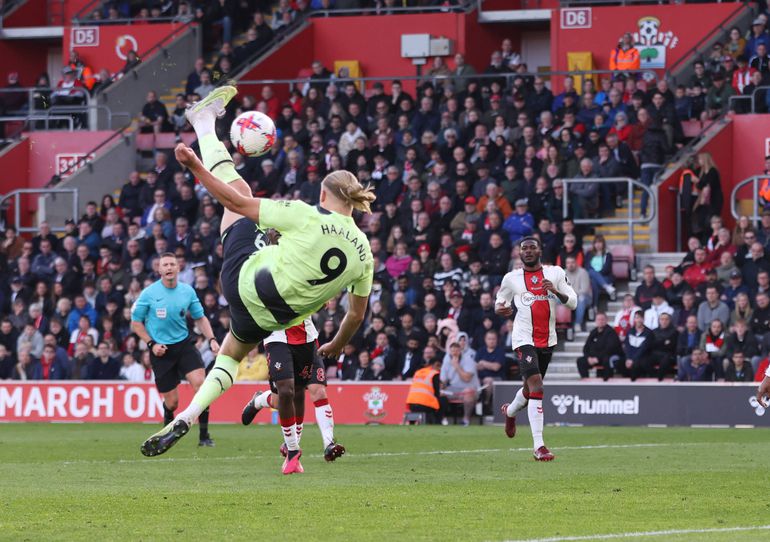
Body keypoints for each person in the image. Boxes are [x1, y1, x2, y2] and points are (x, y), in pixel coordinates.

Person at [141, 86, 374, 471]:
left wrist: (195, 165)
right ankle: (187, 415)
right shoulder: (365, 252)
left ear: (323, 193)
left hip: (245, 281)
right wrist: (333, 345)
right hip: (273, 318)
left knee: (242, 189)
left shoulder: (306, 214)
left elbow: (234, 204)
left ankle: (202, 123)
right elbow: (355, 316)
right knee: (231, 354)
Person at [497, 237, 577, 461]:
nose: (529, 251)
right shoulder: (511, 278)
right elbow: (500, 301)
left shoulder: (556, 273)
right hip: (523, 339)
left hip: (548, 340)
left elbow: (573, 302)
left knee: (529, 389)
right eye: (524, 248)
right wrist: (499, 309)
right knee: (537, 386)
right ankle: (539, 446)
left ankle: (510, 412)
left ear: (540, 250)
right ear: (519, 253)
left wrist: (556, 292)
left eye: (533, 247)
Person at [132, 252, 220, 447]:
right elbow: (136, 323)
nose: (169, 267)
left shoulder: (187, 291)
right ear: (159, 269)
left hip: (183, 345)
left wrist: (212, 339)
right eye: (165, 265)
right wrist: (151, 344)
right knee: (172, 403)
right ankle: (166, 430)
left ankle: (204, 437)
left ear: (178, 268)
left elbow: (200, 317)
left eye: (172, 264)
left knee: (202, 385)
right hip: (160, 350)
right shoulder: (149, 293)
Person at [240, 316, 345, 469]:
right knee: (283, 398)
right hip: (277, 338)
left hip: (307, 339)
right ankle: (260, 400)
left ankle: (328, 444)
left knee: (319, 392)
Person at [577, 312, 622, 380]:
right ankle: (585, 381)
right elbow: (586, 348)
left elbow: (610, 349)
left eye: (602, 319)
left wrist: (597, 358)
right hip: (593, 358)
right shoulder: (593, 332)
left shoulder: (611, 332)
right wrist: (589, 357)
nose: (600, 321)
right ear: (595, 321)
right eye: (598, 319)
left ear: (606, 320)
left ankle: (606, 381)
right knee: (580, 361)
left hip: (606, 357)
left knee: (607, 360)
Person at [405, 357, 443, 424]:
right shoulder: (434, 374)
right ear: (434, 365)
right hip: (425, 404)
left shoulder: (418, 372)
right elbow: (437, 393)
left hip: (411, 404)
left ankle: (413, 422)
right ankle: (438, 422)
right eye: (438, 366)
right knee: (443, 401)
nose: (439, 368)